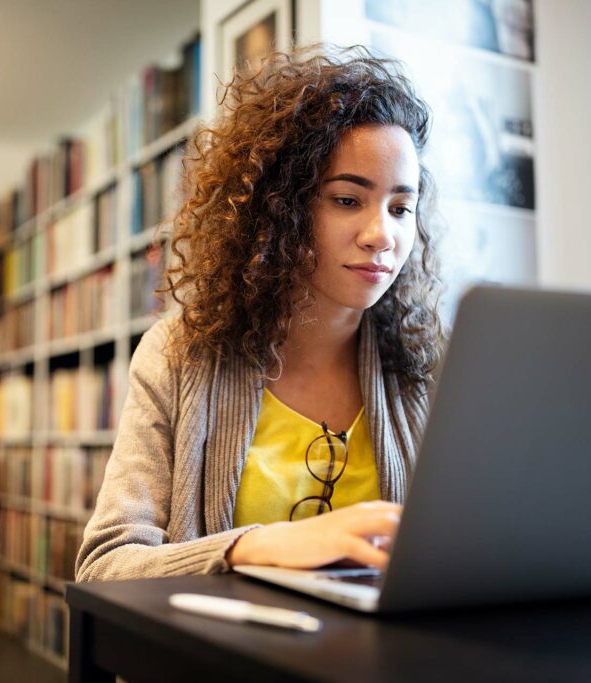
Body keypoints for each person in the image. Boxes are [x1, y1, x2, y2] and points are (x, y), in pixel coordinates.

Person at [76, 46, 444, 581]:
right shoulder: (178, 354)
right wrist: (256, 547)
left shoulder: (431, 365)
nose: (381, 236)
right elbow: (104, 565)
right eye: (347, 200)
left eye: (400, 208)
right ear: (280, 207)